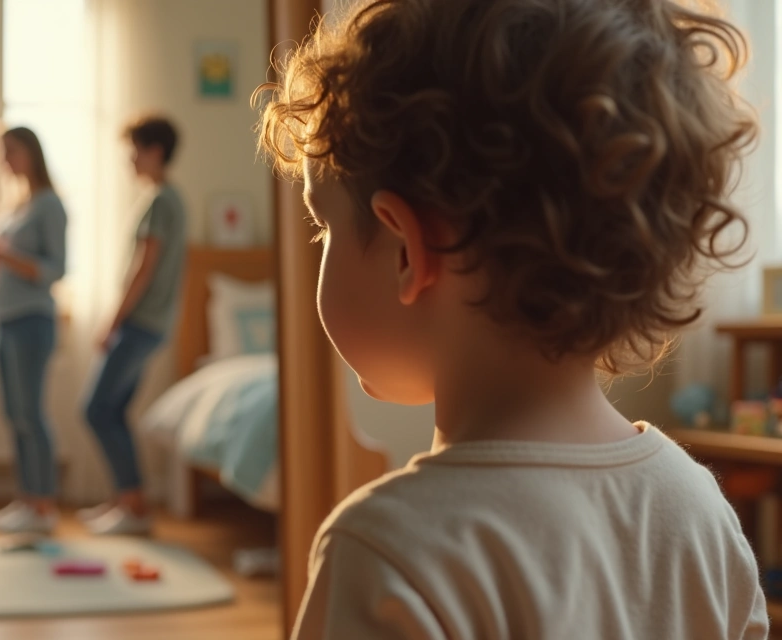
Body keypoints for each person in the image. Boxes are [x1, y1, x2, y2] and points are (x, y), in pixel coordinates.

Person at [258, 1, 768, 638]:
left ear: (406, 252)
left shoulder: (390, 552)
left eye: (321, 227)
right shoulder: (698, 511)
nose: (318, 246)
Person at [78, 116, 187, 536]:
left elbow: (145, 270)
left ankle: (135, 507)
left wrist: (112, 321)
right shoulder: (170, 199)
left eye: (134, 149)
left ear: (155, 150)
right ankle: (127, 500)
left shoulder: (161, 201)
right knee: (113, 410)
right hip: (151, 323)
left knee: (96, 409)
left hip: (140, 322)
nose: (130, 159)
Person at [0, 126, 68, 535]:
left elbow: (54, 270)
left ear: (31, 152)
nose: (4, 160)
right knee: (14, 414)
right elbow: (3, 268)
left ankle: (43, 504)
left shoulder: (49, 206)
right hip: (6, 319)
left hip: (33, 321)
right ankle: (27, 499)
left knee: (31, 414)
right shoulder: (14, 208)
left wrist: (3, 254)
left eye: (9, 150)